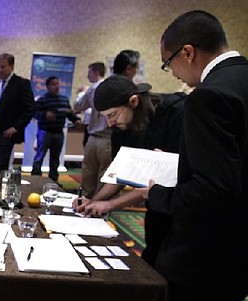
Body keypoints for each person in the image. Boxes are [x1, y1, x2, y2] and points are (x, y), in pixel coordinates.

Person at [147, 10, 248, 301]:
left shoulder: (209, 95)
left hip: (205, 257)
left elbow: (213, 190)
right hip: (239, 254)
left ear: (187, 52)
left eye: (168, 63)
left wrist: (156, 195)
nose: (173, 74)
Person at [74, 75, 186, 268]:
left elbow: (163, 182)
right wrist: (94, 201)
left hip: (184, 210)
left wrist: (110, 205)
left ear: (133, 101)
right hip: (157, 210)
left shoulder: (174, 114)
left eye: (113, 115)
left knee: (173, 268)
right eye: (105, 117)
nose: (109, 123)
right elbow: (120, 175)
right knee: (151, 260)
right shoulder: (122, 129)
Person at [0, 53, 36, 172]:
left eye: (3, 67)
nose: (0, 70)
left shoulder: (21, 84)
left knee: (0, 166)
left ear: (11, 66)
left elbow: (31, 109)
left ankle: (0, 189)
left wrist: (16, 127)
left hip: (6, 133)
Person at [73, 62, 112, 198]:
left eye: (89, 72)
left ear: (96, 72)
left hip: (93, 137)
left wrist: (81, 93)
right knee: (103, 178)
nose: (87, 75)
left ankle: (84, 207)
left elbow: (79, 106)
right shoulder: (111, 87)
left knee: (88, 177)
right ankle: (100, 210)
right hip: (108, 140)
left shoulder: (93, 88)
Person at [32, 76, 81, 182]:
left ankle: (54, 181)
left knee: (55, 159)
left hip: (59, 133)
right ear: (48, 86)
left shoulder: (64, 99)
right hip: (45, 132)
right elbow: (35, 114)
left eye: (58, 84)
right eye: (54, 84)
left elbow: (69, 114)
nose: (56, 86)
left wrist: (76, 120)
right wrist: (45, 115)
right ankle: (35, 179)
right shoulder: (42, 100)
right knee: (39, 157)